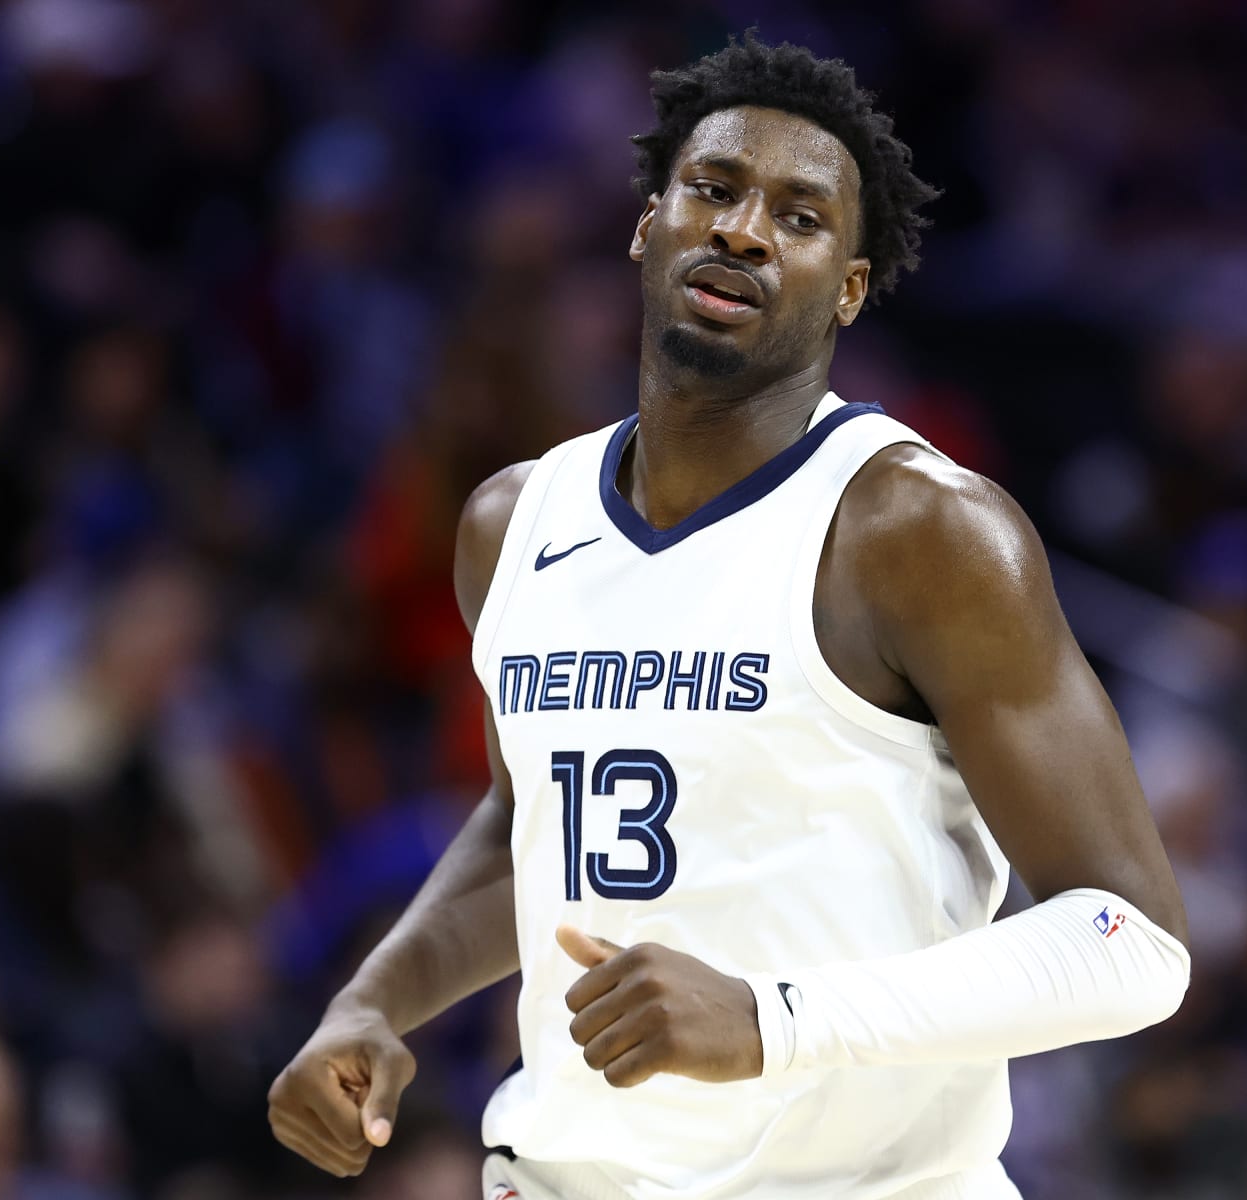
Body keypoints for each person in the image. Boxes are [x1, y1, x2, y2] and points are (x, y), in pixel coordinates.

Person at [268, 32, 1191, 1199]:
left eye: (801, 217)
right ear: (648, 224)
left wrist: (771, 1019)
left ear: (850, 289)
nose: (745, 229)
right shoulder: (514, 521)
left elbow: (1132, 944)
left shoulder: (918, 531)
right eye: (713, 189)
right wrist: (370, 1003)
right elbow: (532, 830)